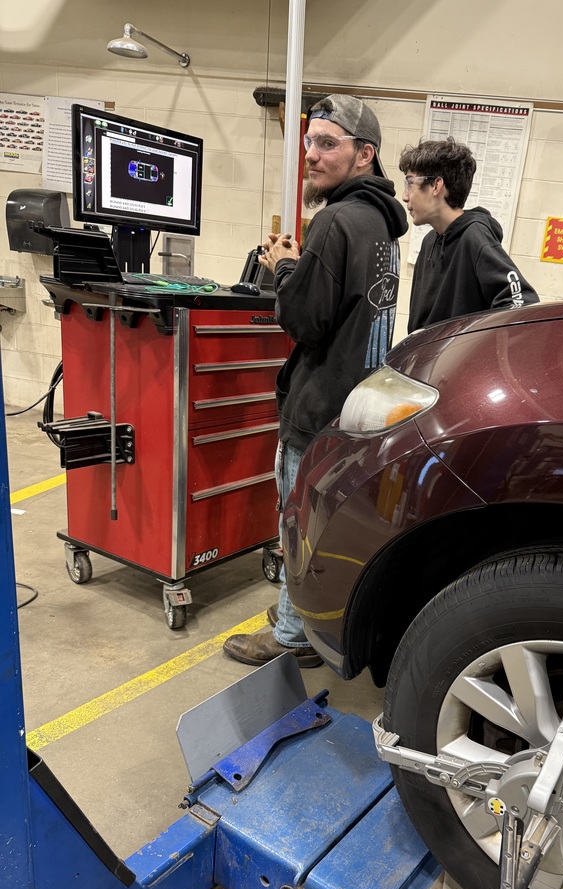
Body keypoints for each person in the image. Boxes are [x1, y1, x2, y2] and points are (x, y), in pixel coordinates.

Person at [224, 94, 408, 668]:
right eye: (310, 141)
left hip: (319, 407)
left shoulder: (334, 220)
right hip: (355, 404)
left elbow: (304, 319)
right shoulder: (382, 223)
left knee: (297, 521)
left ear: (364, 155)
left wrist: (284, 267)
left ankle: (292, 636)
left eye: (328, 144)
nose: (312, 154)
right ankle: (306, 618)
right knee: (325, 526)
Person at [399, 137, 538, 332]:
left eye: (410, 183)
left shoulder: (474, 235)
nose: (405, 196)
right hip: (426, 360)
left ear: (436, 186)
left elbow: (522, 303)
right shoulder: (429, 242)